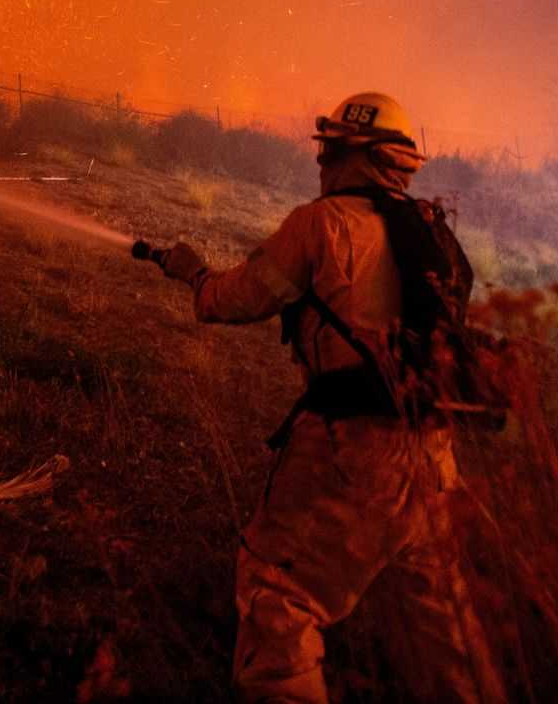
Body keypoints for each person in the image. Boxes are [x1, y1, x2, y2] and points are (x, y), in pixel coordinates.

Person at [157, 92, 505, 704]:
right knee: (444, 634)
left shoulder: (321, 224)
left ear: (354, 156)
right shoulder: (430, 231)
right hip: (433, 459)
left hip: (352, 451)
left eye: (329, 153)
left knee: (278, 598)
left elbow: (234, 300)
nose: (321, 166)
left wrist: (193, 273)